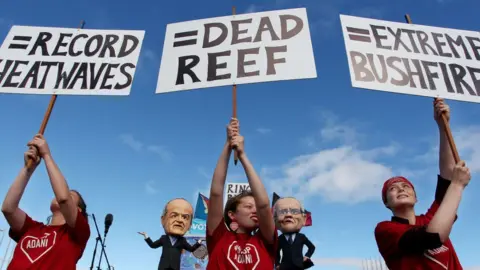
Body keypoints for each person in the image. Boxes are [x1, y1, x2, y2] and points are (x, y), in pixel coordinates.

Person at [374, 98, 469, 270]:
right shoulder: (385, 230)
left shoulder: (430, 218)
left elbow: (447, 180)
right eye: (392, 188)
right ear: (386, 202)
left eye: (406, 186)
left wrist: (442, 125)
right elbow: (432, 237)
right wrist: (457, 186)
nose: (401, 188)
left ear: (416, 198)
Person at [1, 134, 90, 270]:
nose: (61, 194)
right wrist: (27, 170)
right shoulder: (32, 228)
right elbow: (8, 208)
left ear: (78, 210)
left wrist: (47, 155)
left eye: (71, 195)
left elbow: (63, 199)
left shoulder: (78, 233)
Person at [206, 118, 277, 270]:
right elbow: (216, 193)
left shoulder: (265, 241)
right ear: (232, 214)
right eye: (248, 206)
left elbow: (264, 205)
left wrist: (242, 155)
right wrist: (228, 144)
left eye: (256, 206)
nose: (255, 210)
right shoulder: (219, 237)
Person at [138, 198, 203, 270]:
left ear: (190, 225)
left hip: (175, 267)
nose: (179, 220)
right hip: (163, 267)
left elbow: (191, 249)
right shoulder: (163, 238)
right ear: (163, 220)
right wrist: (146, 236)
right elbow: (153, 245)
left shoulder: (182, 241)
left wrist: (198, 242)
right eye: (174, 216)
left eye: (185, 217)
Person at [274, 197, 315, 270]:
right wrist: (277, 264)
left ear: (304, 219)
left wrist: (307, 256)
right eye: (282, 212)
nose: (288, 215)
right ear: (275, 219)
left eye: (294, 211)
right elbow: (276, 252)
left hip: (299, 266)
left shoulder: (301, 237)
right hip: (284, 267)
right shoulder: (280, 238)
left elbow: (312, 247)